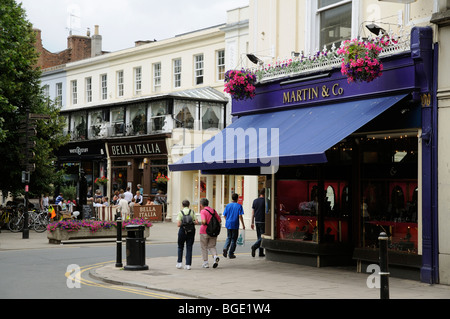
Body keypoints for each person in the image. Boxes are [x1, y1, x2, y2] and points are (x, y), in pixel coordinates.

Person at [199, 198, 221, 268]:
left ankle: (206, 263)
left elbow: (204, 221)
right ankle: (215, 257)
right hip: (213, 231)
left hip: (204, 231)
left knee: (204, 247)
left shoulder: (203, 211)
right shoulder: (213, 210)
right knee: (212, 246)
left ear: (201, 204)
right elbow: (219, 220)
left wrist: (200, 222)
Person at [176, 200, 198, 270]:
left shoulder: (180, 212)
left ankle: (179, 263)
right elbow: (196, 222)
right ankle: (188, 264)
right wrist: (191, 222)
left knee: (180, 246)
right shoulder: (192, 212)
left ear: (182, 205)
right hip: (191, 231)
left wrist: (184, 223)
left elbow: (178, 224)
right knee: (189, 247)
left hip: (183, 231)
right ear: (189, 205)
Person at [223, 193, 245, 259]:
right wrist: (243, 225)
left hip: (228, 223)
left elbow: (224, 215)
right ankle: (231, 253)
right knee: (234, 239)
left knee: (229, 237)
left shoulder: (228, 205)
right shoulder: (239, 206)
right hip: (235, 224)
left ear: (232, 198)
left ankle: (225, 248)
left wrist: (227, 220)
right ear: (237, 198)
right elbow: (240, 216)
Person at [251, 188, 266, 257]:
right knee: (262, 237)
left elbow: (253, 213)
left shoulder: (255, 201)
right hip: (263, 221)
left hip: (256, 221)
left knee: (259, 237)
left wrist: (252, 222)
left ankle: (261, 252)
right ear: (265, 193)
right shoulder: (265, 201)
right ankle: (254, 246)